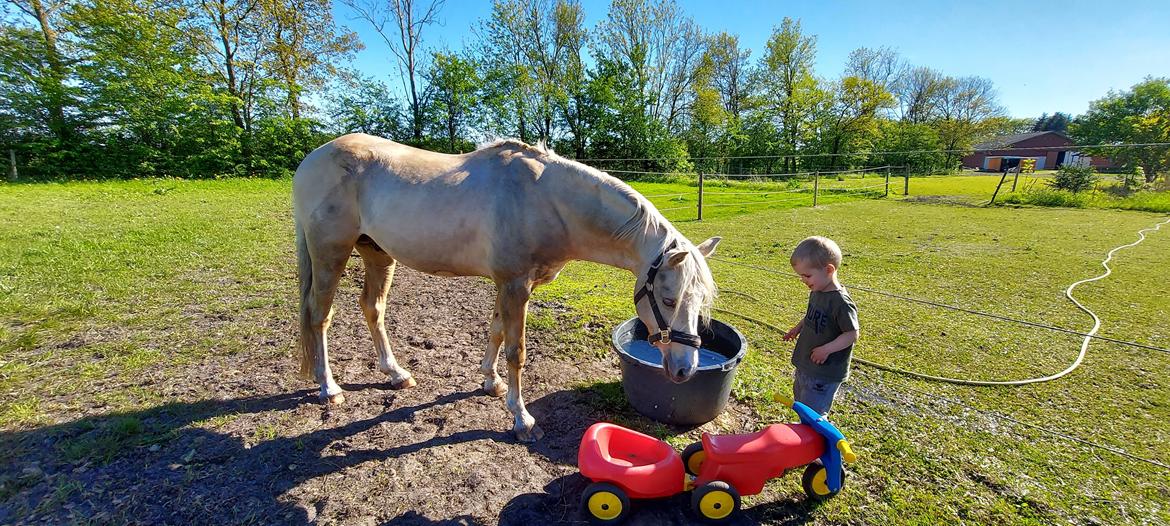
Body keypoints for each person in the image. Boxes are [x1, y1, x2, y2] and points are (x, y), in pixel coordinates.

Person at [782, 236, 859, 415]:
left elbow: (852, 334)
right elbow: (812, 315)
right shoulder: (818, 291)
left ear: (829, 270)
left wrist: (826, 349)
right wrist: (798, 328)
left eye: (807, 275)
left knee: (814, 414)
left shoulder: (841, 303)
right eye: (801, 276)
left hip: (823, 374)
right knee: (801, 404)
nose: (803, 280)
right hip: (807, 365)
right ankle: (803, 434)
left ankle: (815, 439)